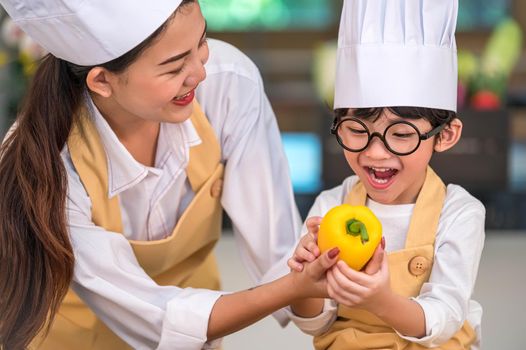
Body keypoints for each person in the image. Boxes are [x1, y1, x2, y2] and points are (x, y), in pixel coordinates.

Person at [0, 1, 337, 349]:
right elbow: (162, 319)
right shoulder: (48, 166)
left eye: (201, 42)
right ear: (102, 80)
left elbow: (280, 253)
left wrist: (315, 286)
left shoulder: (227, 85)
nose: (199, 73)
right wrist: (293, 286)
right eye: (174, 67)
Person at [287, 0, 485, 349]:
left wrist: (381, 301)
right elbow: (313, 322)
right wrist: (305, 283)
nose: (376, 153)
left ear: (445, 135)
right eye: (356, 129)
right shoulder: (331, 205)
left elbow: (445, 317)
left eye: (403, 134)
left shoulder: (459, 212)